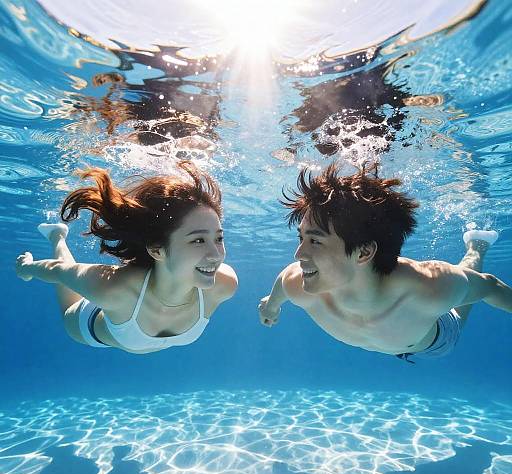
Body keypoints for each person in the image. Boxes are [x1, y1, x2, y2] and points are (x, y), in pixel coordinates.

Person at [258, 163, 511, 362]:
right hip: (398, 340)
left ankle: (477, 246)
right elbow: (282, 282)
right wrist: (271, 305)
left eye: (315, 242)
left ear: (364, 252)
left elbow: (489, 286)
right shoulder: (297, 283)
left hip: (437, 342)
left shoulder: (431, 289)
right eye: (301, 238)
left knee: (461, 299)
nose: (298, 254)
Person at [16, 161, 238, 354]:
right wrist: (26, 268)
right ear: (157, 250)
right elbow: (58, 271)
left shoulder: (224, 284)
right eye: (198, 240)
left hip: (126, 324)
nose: (216, 254)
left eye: (219, 238)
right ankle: (58, 237)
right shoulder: (114, 290)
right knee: (68, 310)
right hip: (92, 326)